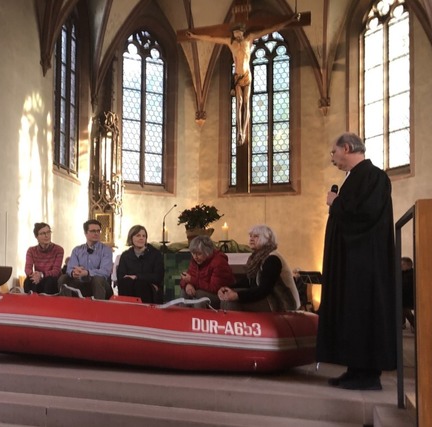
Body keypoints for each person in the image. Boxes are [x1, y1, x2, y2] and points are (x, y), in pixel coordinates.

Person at [316, 132, 396, 391]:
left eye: (333, 152)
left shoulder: (373, 176)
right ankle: (354, 369)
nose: (332, 158)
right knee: (352, 313)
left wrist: (336, 202)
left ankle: (368, 375)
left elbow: (365, 215)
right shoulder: (355, 178)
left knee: (363, 312)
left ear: (347, 148)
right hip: (352, 262)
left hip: (365, 264)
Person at [186, 14, 300, 145]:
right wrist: (195, 36)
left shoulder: (249, 39)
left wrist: (289, 20)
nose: (237, 35)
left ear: (242, 32)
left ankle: (244, 131)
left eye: (239, 32)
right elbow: (212, 38)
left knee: (246, 104)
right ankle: (239, 131)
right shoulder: (230, 43)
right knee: (238, 104)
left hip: (246, 76)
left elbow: (270, 29)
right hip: (237, 77)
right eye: (235, 33)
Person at [218, 225, 300, 312]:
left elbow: (264, 289)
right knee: (227, 297)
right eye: (250, 236)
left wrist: (237, 295)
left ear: (267, 239)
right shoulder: (257, 257)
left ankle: (235, 325)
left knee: (231, 302)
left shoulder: (272, 259)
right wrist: (228, 287)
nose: (251, 239)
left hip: (283, 303)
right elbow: (249, 281)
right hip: (268, 297)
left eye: (256, 236)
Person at [58, 219, 114, 299]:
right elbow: (70, 268)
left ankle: (99, 309)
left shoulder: (106, 250)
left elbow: (105, 272)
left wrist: (87, 272)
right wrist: (74, 272)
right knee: (63, 278)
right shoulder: (77, 250)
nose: (96, 233)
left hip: (101, 285)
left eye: (98, 231)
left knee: (97, 279)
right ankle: (66, 306)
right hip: (81, 283)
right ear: (85, 233)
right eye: (93, 231)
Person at [180, 235, 235, 308]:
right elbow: (185, 279)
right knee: (184, 292)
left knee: (199, 297)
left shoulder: (219, 262)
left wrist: (192, 281)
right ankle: (182, 318)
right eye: (193, 253)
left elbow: (215, 288)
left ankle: (198, 319)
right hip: (201, 291)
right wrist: (187, 285)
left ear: (207, 252)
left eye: (199, 254)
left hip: (218, 295)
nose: (195, 257)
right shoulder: (195, 261)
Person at [116, 225, 165, 304]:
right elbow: (121, 277)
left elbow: (158, 277)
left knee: (140, 284)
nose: (141, 238)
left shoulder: (155, 254)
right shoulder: (125, 256)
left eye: (144, 236)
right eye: (138, 235)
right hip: (130, 287)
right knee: (126, 282)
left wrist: (137, 277)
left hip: (149, 288)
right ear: (131, 238)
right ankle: (126, 310)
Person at [23, 222, 64, 294]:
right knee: (28, 281)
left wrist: (41, 275)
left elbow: (56, 271)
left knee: (49, 281)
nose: (46, 236)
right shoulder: (31, 250)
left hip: (51, 279)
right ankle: (31, 302)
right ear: (36, 236)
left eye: (48, 232)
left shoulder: (58, 249)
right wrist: (34, 275)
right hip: (37, 278)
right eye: (42, 233)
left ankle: (46, 304)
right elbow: (27, 269)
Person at [401, 257, 415, 331]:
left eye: (402, 264)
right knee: (402, 308)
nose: (400, 266)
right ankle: (402, 323)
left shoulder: (412, 274)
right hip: (403, 296)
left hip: (409, 297)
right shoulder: (402, 273)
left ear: (408, 265)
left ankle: (414, 324)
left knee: (404, 309)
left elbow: (406, 286)